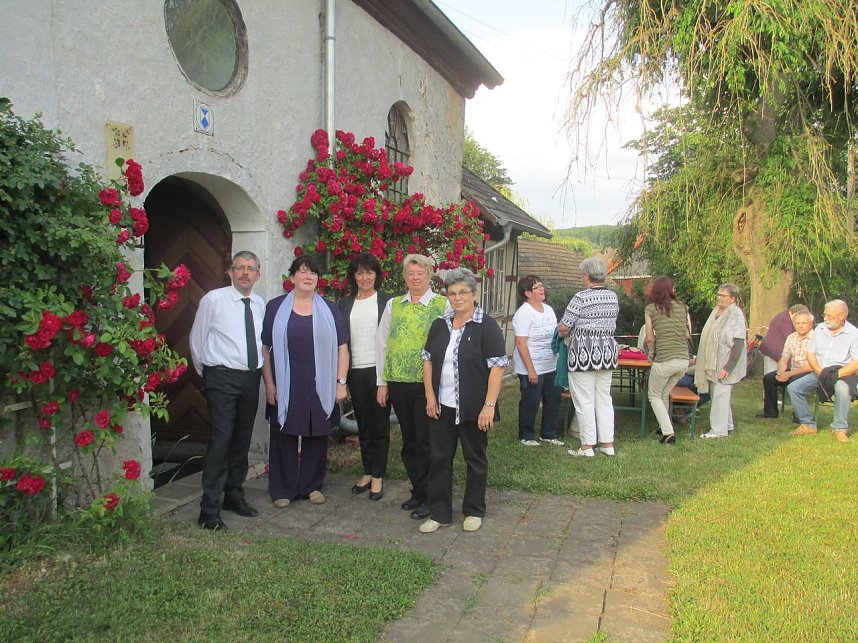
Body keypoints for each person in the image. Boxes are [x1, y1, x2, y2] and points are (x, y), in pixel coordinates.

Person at [420, 268, 508, 533]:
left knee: (475, 459)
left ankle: (473, 510)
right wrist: (429, 396)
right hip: (441, 406)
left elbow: (497, 367)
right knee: (439, 459)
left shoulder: (486, 326)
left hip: (474, 407)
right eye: (452, 293)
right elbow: (427, 359)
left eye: (463, 293)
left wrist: (489, 406)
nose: (457, 298)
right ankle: (439, 514)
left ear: (474, 294)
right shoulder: (440, 324)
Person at [261, 255, 349, 507]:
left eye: (312, 272)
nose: (308, 276)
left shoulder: (330, 309)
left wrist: (340, 382)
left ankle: (312, 486)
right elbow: (264, 348)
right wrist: (269, 384)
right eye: (302, 271)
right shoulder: (275, 307)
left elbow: (343, 347)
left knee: (317, 433)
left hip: (319, 381)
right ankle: (282, 490)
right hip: (285, 382)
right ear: (292, 278)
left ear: (317, 279)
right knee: (283, 433)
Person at [190, 251, 264, 531]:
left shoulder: (259, 304)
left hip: (250, 378)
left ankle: (234, 494)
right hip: (221, 377)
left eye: (251, 268)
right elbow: (197, 341)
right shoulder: (213, 300)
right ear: (230, 272)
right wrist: (209, 374)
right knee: (221, 439)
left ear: (257, 274)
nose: (245, 273)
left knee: (242, 439)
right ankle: (208, 508)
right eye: (240, 268)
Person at [377, 254, 449, 520]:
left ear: (430, 275)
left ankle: (431, 496)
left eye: (420, 273)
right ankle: (418, 492)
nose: (415, 278)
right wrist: (381, 382)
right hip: (397, 382)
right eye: (410, 273)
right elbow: (382, 343)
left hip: (427, 385)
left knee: (425, 441)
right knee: (409, 442)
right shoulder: (393, 305)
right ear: (404, 277)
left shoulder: (442, 305)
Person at [337, 253, 391, 501]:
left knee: (379, 425)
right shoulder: (345, 304)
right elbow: (342, 343)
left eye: (370, 272)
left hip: (379, 372)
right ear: (354, 276)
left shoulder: (388, 302)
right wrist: (343, 380)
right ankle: (368, 470)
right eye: (360, 272)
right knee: (364, 425)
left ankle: (378, 475)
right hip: (355, 372)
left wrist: (385, 380)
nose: (365, 277)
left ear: (377, 276)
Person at [558, 257, 619, 457]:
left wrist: (561, 331)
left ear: (587, 276)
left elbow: (565, 326)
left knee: (584, 400)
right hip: (607, 353)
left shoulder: (581, 297)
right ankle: (608, 444)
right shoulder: (612, 296)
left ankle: (587, 446)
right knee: (604, 398)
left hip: (583, 354)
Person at [789, 299, 858, 442]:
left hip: (843, 373)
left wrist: (836, 375)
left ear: (841, 316)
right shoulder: (820, 329)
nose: (824, 318)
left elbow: (856, 362)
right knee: (794, 388)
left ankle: (839, 428)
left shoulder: (853, 334)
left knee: (842, 390)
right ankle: (807, 424)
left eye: (828, 315)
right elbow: (810, 354)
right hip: (819, 371)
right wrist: (820, 372)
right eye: (824, 315)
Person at [512, 275, 563, 447]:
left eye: (542, 286)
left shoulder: (548, 310)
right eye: (537, 287)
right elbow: (521, 343)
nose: (542, 289)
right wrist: (531, 370)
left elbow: (556, 335)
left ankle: (549, 433)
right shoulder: (524, 313)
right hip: (531, 364)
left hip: (550, 363)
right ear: (527, 293)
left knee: (553, 398)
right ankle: (526, 435)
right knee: (531, 400)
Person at [694, 283, 747, 438]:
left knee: (721, 395)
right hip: (713, 362)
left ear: (732, 298)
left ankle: (718, 431)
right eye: (718, 295)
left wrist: (728, 367)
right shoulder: (715, 312)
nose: (719, 298)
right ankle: (728, 425)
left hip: (726, 362)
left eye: (723, 296)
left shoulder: (736, 315)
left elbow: (738, 343)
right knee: (718, 394)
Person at [644, 276, 692, 444]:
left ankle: (669, 433)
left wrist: (650, 352)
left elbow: (650, 338)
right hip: (683, 360)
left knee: (654, 395)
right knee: (664, 393)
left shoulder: (650, 309)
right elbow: (688, 333)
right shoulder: (683, 307)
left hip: (664, 359)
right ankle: (665, 427)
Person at [756, 304, 811, 418]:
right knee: (769, 378)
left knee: (795, 381)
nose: (800, 326)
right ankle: (770, 412)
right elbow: (784, 356)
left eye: (803, 323)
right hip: (793, 369)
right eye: (797, 323)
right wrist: (781, 372)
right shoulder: (791, 337)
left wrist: (788, 374)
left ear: (810, 324)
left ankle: (799, 416)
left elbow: (810, 366)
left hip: (807, 372)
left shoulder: (815, 338)